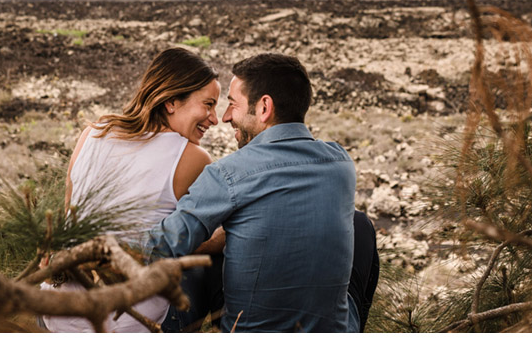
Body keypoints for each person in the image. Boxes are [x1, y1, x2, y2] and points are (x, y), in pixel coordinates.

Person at [148, 52, 377, 332]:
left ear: (264, 107)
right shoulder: (341, 162)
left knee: (199, 260)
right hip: (334, 331)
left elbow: (160, 247)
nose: (226, 116)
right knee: (360, 224)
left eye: (233, 104)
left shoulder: (228, 173)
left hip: (249, 331)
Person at [41, 47, 222, 332]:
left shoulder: (93, 132)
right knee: (209, 259)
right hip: (130, 323)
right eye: (208, 104)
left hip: (56, 312)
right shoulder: (191, 158)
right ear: (172, 102)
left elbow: (68, 214)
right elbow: (183, 239)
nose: (214, 118)